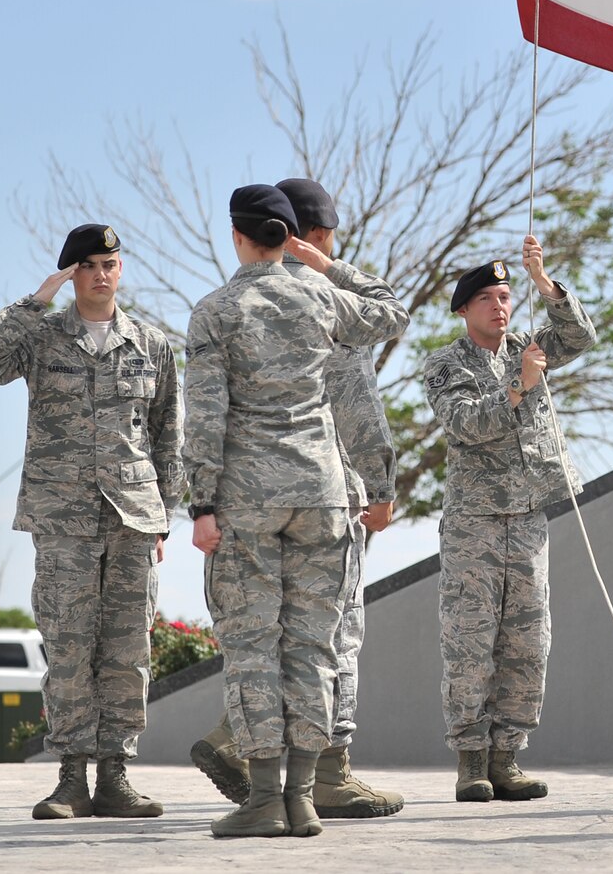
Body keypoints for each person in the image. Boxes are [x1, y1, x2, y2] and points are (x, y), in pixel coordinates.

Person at [185, 184, 408, 840]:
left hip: (248, 497)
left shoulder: (216, 311)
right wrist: (330, 266)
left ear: (238, 235)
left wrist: (201, 502)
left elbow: (204, 418)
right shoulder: (323, 297)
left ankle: (262, 799)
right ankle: (306, 796)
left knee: (254, 645)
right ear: (291, 237)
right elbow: (391, 311)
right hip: (321, 492)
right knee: (314, 647)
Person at [0, 223, 183, 821]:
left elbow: (167, 438)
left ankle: (116, 774)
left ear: (120, 268)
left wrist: (162, 518)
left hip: (134, 518)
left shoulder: (153, 345)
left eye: (109, 262)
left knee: (128, 647)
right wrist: (34, 302)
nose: (100, 274)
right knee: (68, 644)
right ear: (70, 275)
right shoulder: (41, 338)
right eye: (86, 265)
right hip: (62, 516)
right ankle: (70, 778)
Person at [422, 235, 595, 803]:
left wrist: (545, 282)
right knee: (471, 642)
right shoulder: (445, 365)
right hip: (475, 520)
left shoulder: (528, 344)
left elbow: (580, 336)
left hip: (527, 517)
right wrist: (522, 383)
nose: (501, 306)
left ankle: (507, 758)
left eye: (506, 296)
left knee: (528, 640)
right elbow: (468, 424)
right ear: (465, 309)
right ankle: (471, 761)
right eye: (489, 299)